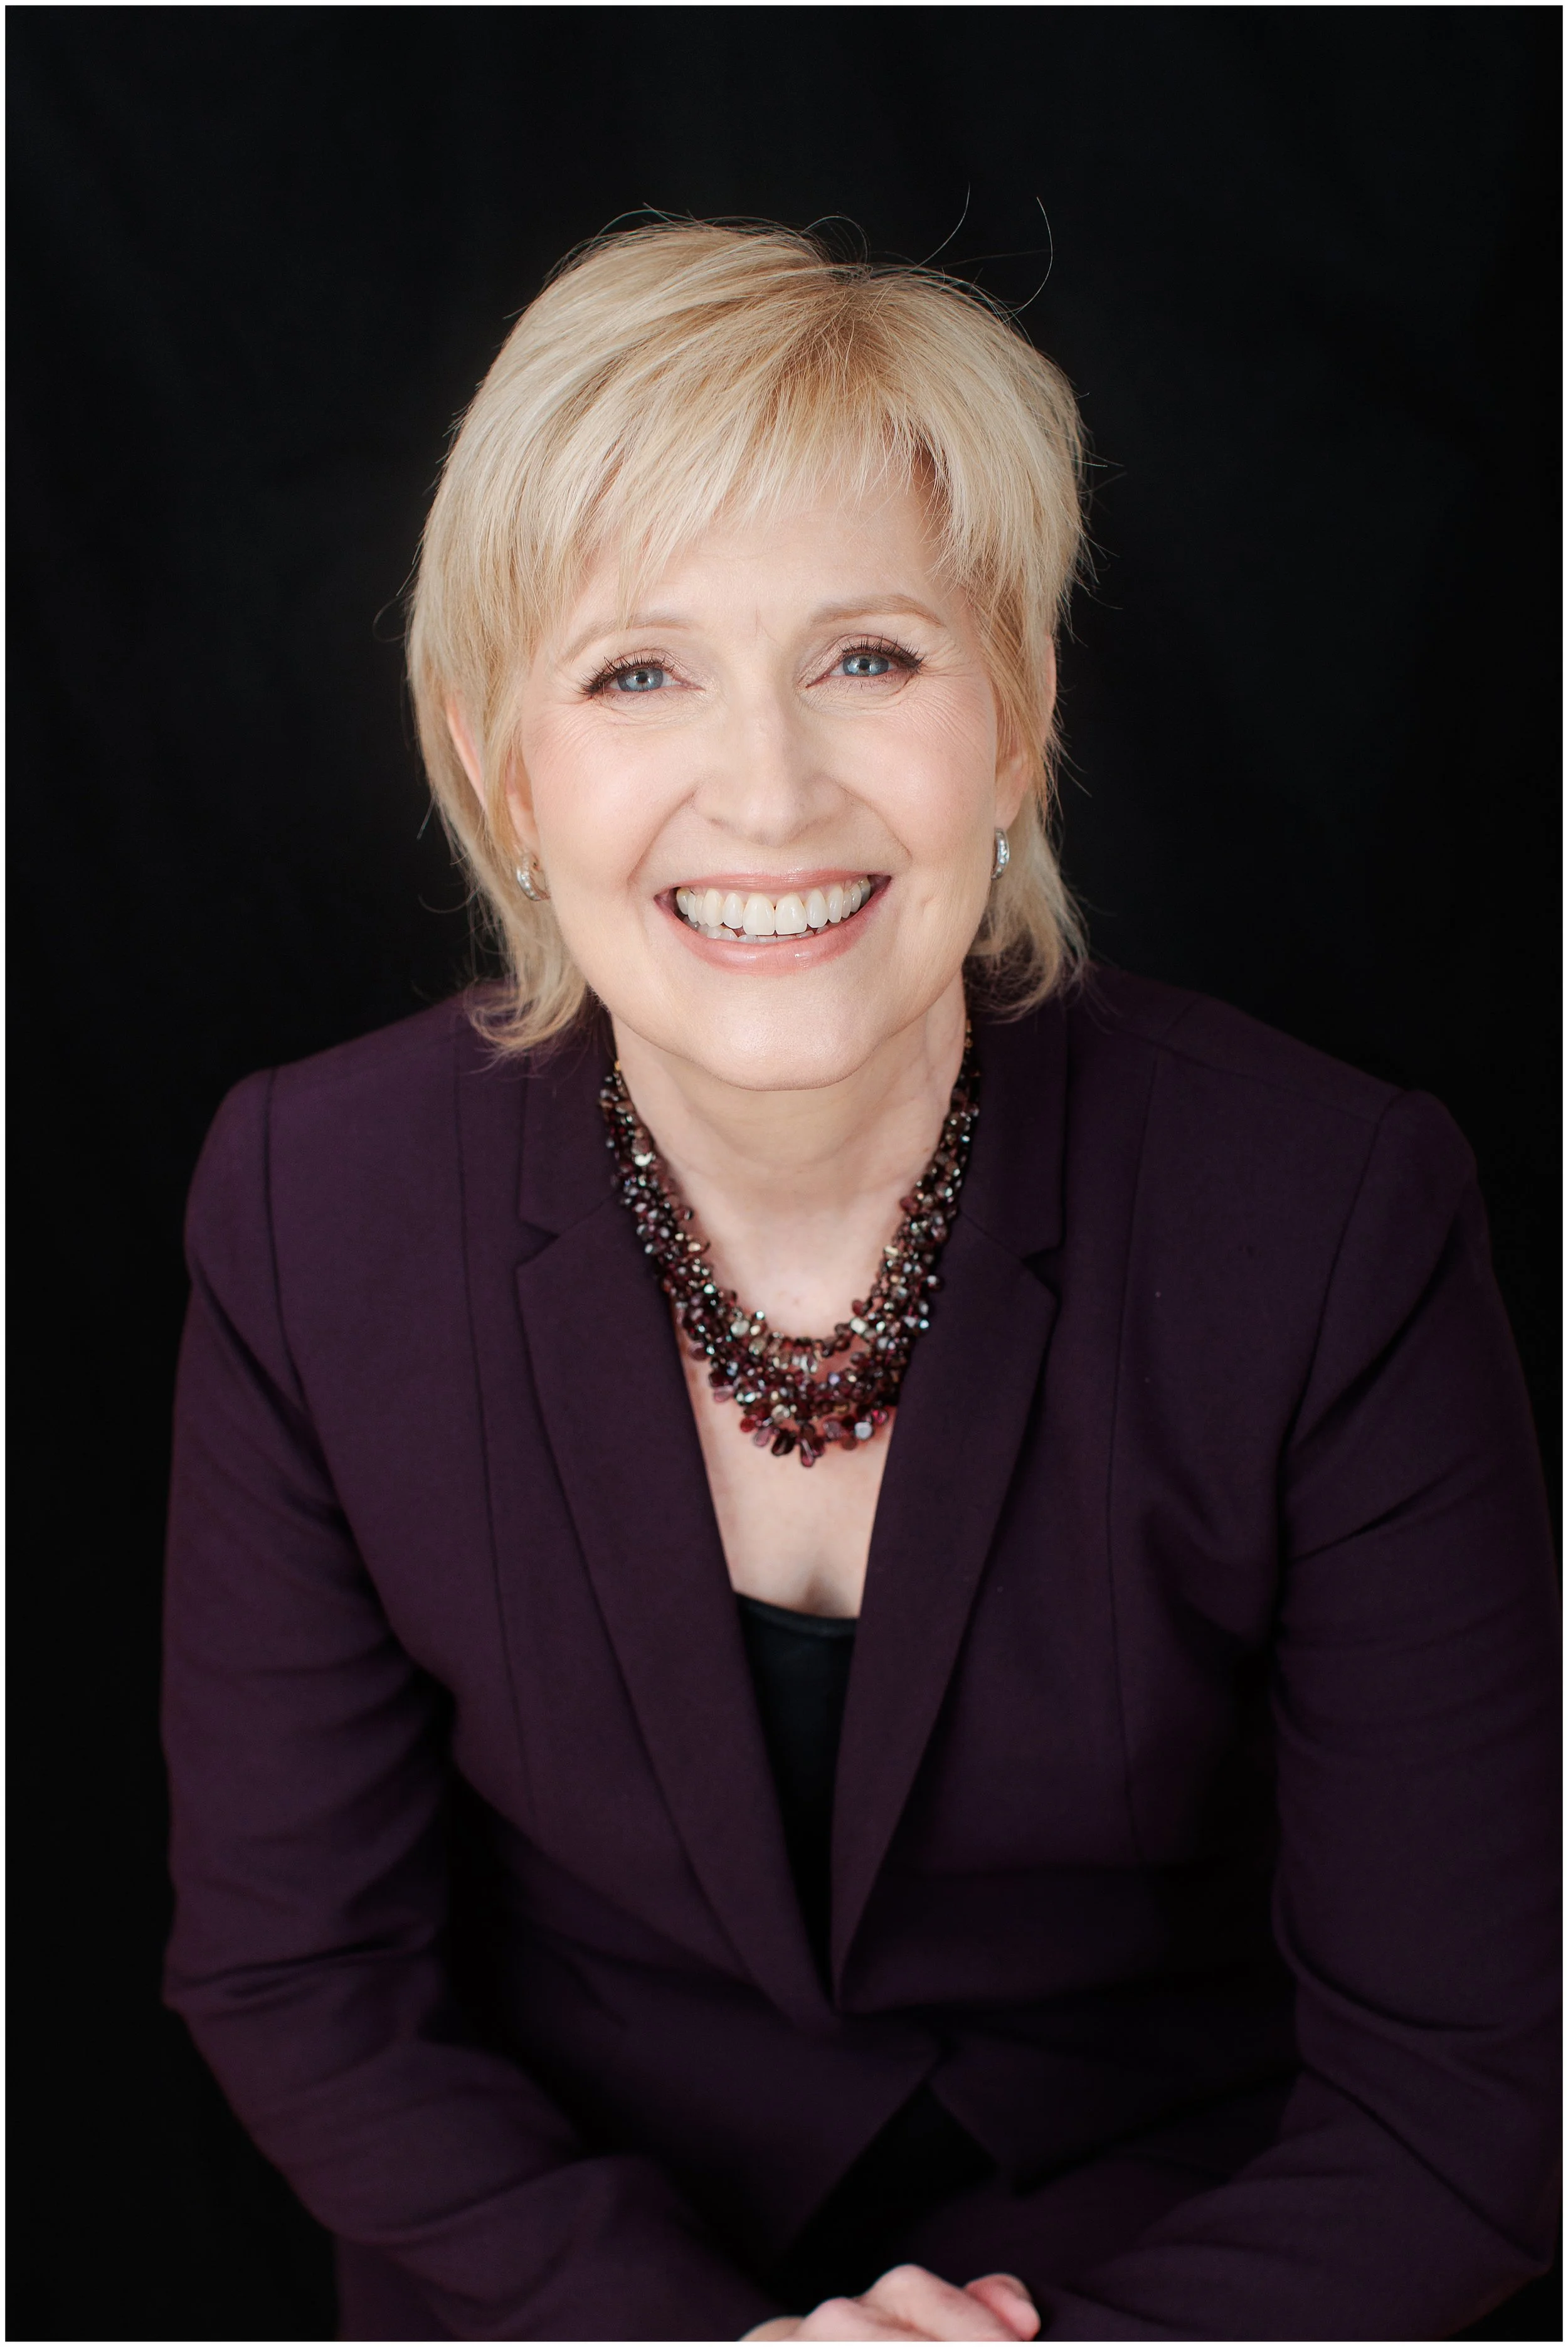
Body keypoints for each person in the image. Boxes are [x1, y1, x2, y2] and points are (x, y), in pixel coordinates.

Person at [162, 222, 1558, 2343]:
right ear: (499, 765)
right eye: (639, 670)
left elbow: (1474, 2087)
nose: (769, 786)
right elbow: (300, 1980)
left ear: (1017, 722)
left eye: (870, 657)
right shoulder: (312, 1201)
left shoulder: (1327, 1214)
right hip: (555, 2289)